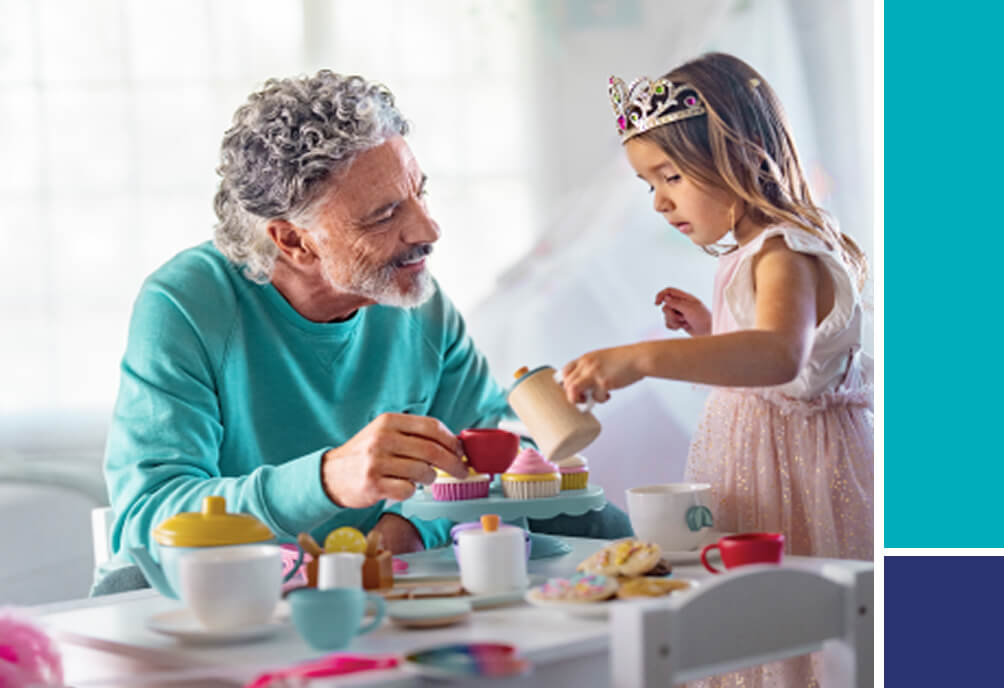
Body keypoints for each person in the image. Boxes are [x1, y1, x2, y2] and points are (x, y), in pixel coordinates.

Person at [95, 70, 630, 594]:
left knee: (595, 523)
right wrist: (327, 479)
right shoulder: (187, 304)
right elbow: (146, 518)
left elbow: (498, 449)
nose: (428, 230)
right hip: (246, 591)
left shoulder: (414, 299)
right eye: (385, 215)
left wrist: (413, 526)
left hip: (397, 585)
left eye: (420, 194)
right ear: (293, 241)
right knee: (131, 582)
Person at [561, 54, 873, 687]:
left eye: (669, 175)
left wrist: (643, 359)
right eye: (649, 184)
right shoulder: (760, 253)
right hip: (766, 471)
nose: (658, 201)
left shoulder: (785, 249)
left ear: (736, 155)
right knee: (755, 632)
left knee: (792, 631)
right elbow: (782, 361)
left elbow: (778, 354)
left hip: (800, 482)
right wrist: (713, 331)